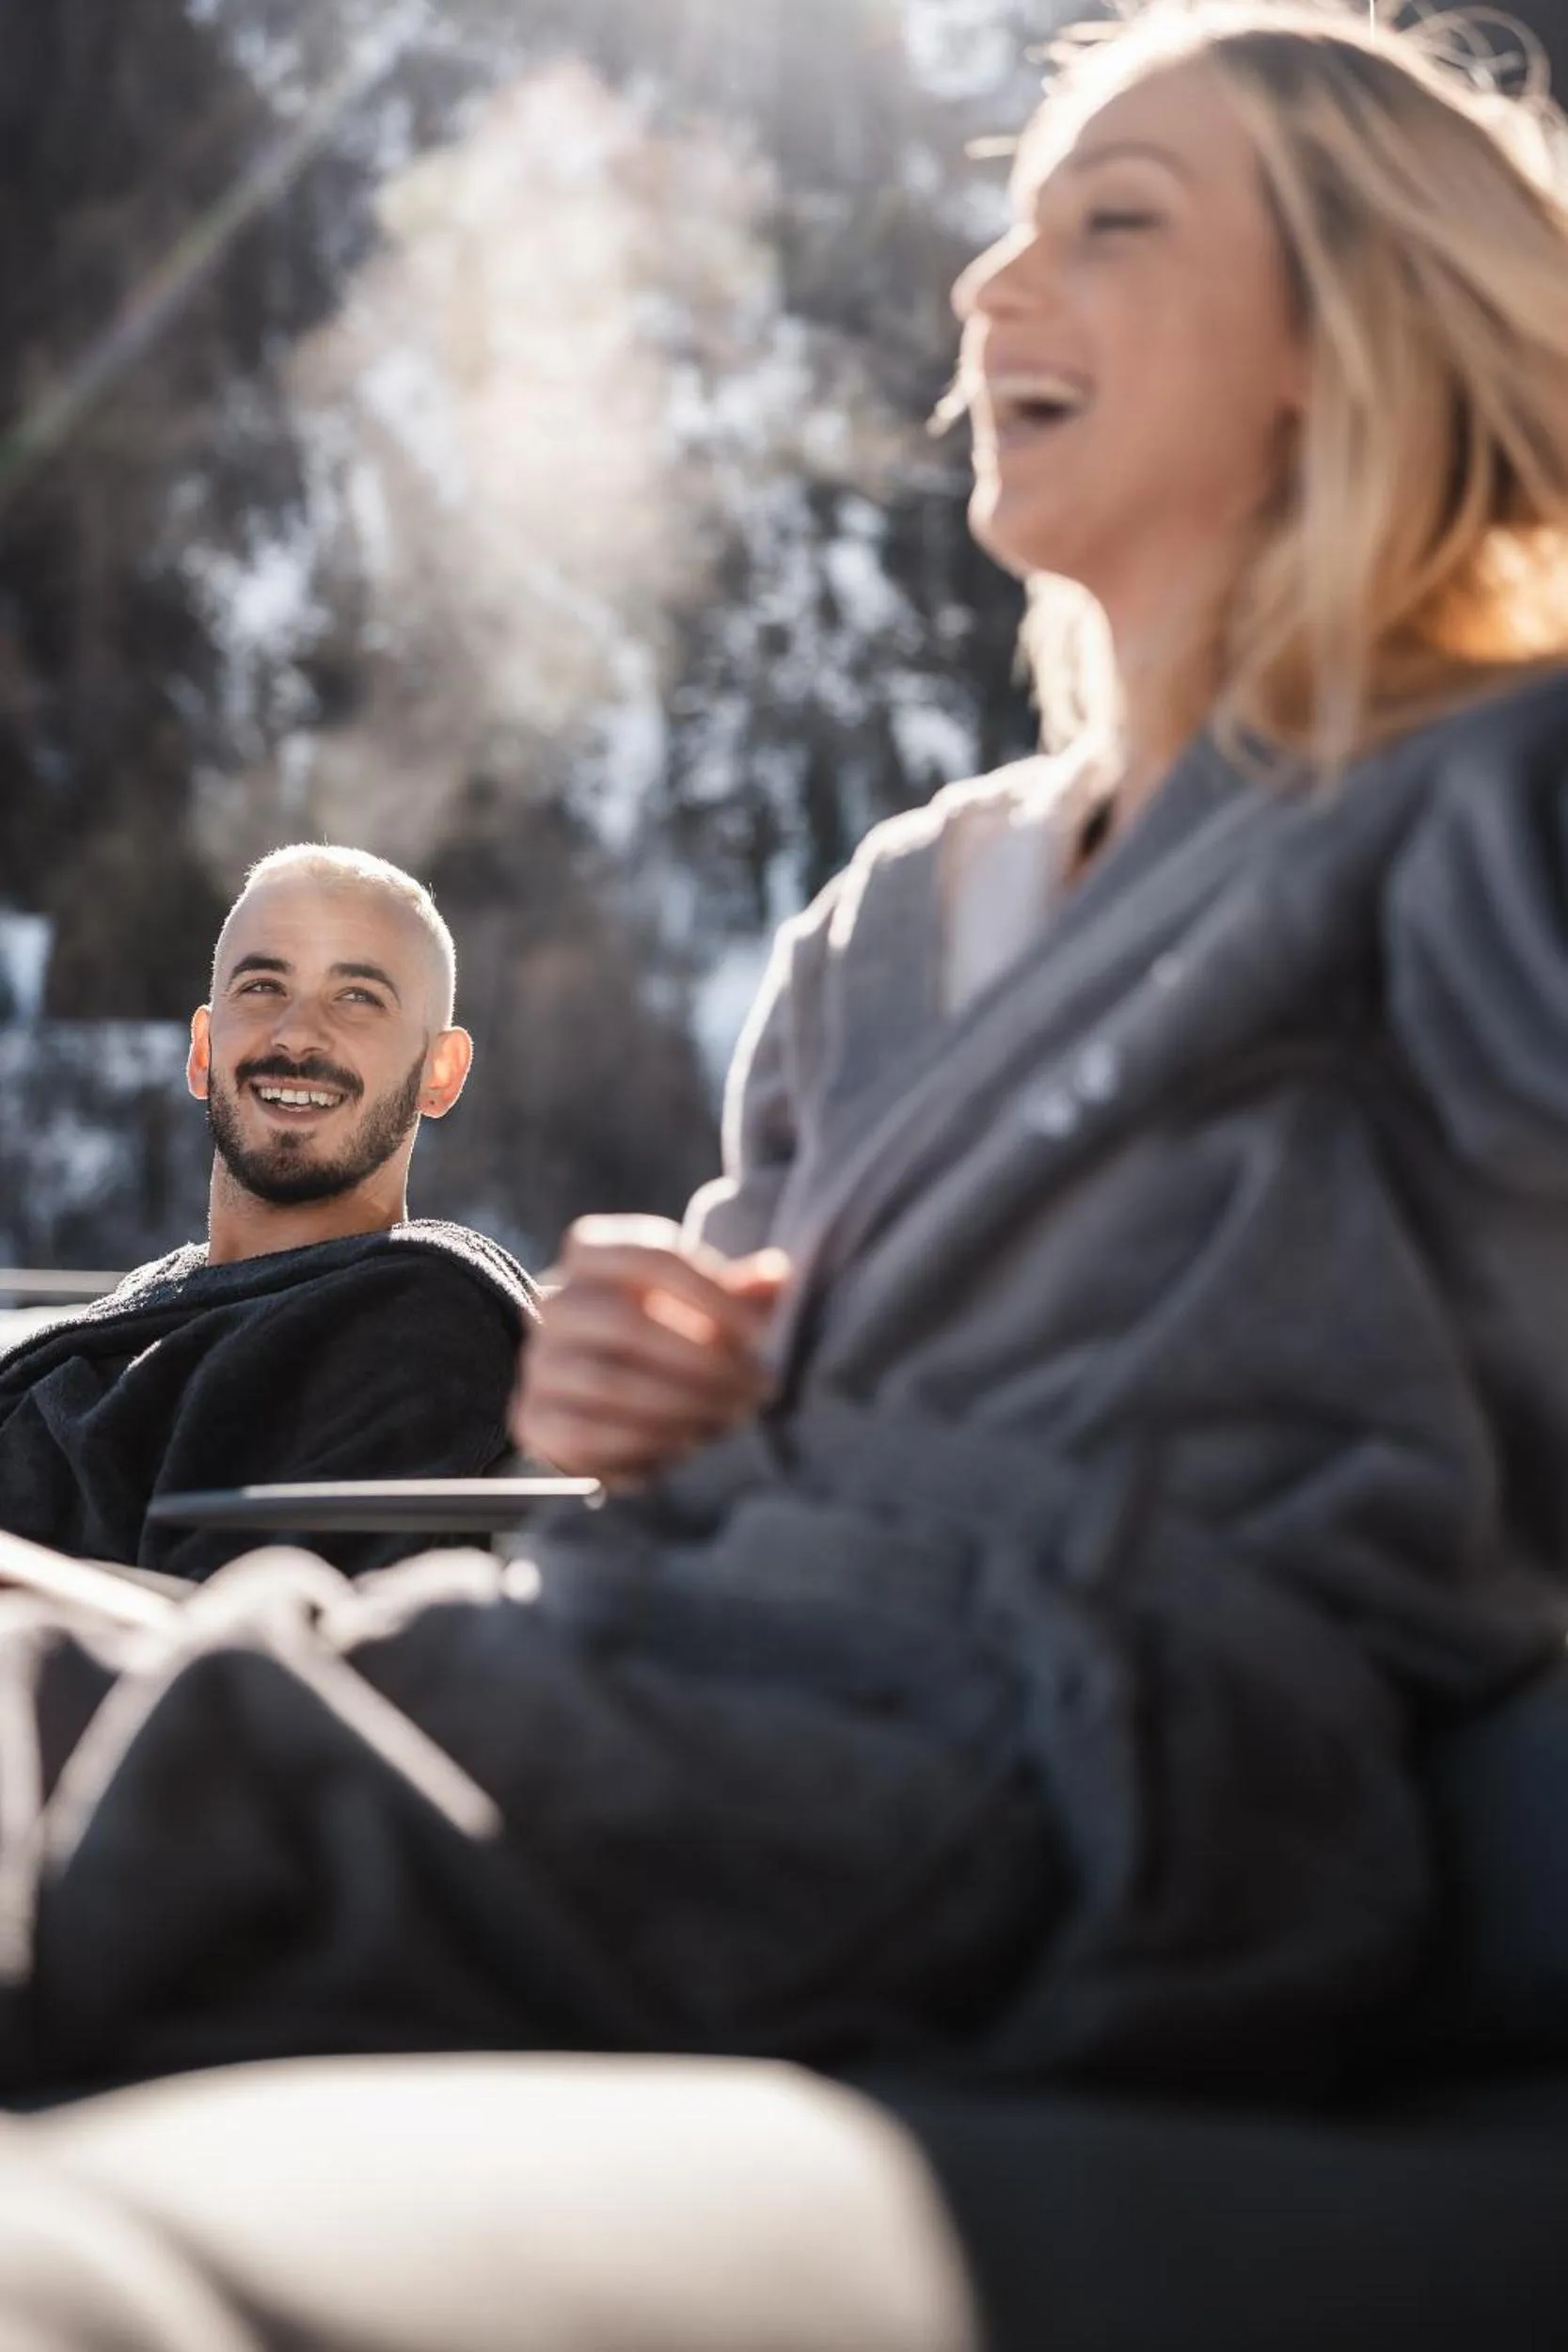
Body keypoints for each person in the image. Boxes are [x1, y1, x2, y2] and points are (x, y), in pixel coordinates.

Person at [0, 0, 1566, 2100]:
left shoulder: (1485, 801)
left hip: (1040, 1758)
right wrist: (664, 1395)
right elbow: (724, 1428)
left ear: (1346, 324)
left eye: (1111, 221)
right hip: (662, 1641)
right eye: (1004, 224)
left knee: (137, 1814)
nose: (990, 282)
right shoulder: (894, 911)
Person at [0, 844, 537, 1580]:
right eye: (261, 986)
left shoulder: (419, 1319)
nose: (295, 1034)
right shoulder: (133, 1313)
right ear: (201, 1050)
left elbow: (246, 1652)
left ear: (438, 1074)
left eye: (357, 998)